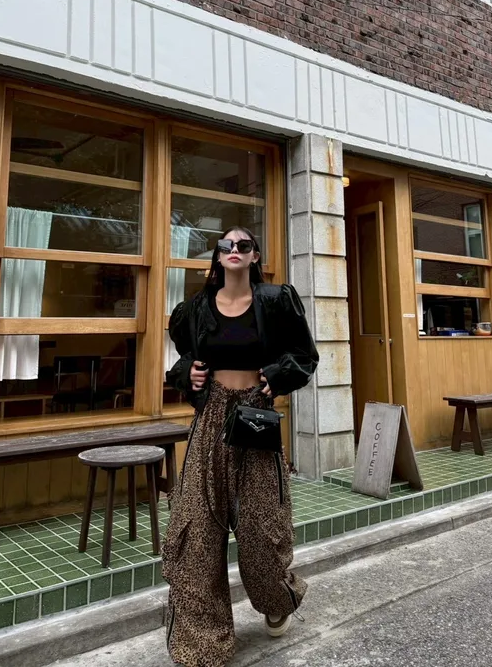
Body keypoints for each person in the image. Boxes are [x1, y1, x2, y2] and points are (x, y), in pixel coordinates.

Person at [163, 226, 319, 667]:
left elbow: (304, 355)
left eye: (243, 245)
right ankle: (202, 642)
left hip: (254, 417)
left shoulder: (275, 301)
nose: (234, 250)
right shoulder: (195, 309)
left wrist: (277, 375)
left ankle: (275, 599)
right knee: (196, 529)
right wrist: (188, 375)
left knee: (261, 526)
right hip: (210, 418)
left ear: (254, 256)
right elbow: (184, 358)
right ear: (217, 256)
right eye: (226, 245)